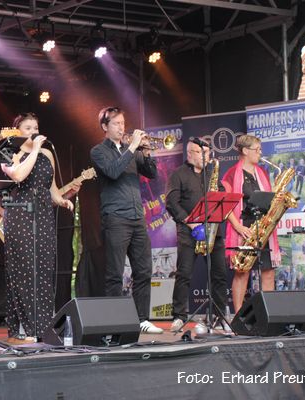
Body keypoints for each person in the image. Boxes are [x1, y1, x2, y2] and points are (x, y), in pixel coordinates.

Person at [0, 112, 74, 344]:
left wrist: (62, 200)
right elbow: (19, 176)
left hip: (43, 216)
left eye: (36, 127)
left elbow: (52, 188)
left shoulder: (47, 154)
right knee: (23, 271)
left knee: (43, 270)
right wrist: (33, 150)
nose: (33, 131)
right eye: (28, 128)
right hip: (20, 215)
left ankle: (43, 327)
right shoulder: (10, 153)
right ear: (18, 131)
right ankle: (22, 329)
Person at [90, 106, 163, 334]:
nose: (122, 128)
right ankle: (114, 322)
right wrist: (132, 147)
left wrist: (147, 152)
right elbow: (113, 171)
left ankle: (142, 319)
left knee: (144, 270)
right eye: (116, 124)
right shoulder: (98, 151)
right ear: (104, 126)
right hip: (115, 217)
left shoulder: (131, 150)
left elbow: (152, 174)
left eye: (123, 123)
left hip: (137, 216)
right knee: (115, 273)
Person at [165, 138, 228, 332]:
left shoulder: (211, 172)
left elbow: (221, 195)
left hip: (213, 231)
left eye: (207, 153)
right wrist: (192, 223)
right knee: (184, 274)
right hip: (189, 230)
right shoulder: (178, 174)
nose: (205, 157)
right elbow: (172, 203)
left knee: (219, 274)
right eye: (201, 153)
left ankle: (219, 316)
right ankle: (179, 316)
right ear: (190, 154)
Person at [222, 134, 280, 313]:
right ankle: (238, 316)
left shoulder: (262, 172)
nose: (260, 153)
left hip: (263, 229)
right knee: (242, 272)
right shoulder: (231, 174)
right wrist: (238, 227)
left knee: (268, 271)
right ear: (245, 151)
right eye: (257, 149)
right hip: (244, 229)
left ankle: (269, 314)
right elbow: (225, 204)